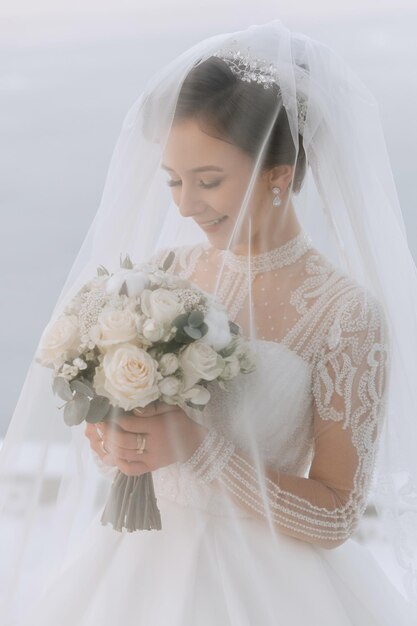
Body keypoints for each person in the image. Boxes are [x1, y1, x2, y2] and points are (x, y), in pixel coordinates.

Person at [1, 19, 417, 626]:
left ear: (279, 176)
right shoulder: (164, 273)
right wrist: (117, 439)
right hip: (133, 575)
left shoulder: (345, 315)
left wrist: (198, 452)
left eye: (209, 182)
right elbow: (119, 438)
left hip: (271, 592)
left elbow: (335, 513)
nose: (185, 205)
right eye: (173, 181)